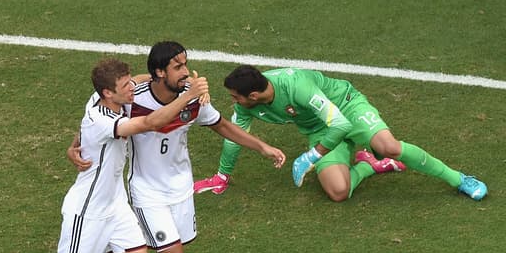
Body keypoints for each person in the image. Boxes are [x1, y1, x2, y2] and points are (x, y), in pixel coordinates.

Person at [72, 42, 285, 253]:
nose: (186, 71)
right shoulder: (133, 98)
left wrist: (262, 147)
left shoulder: (194, 99)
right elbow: (97, 119)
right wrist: (73, 147)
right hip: (147, 194)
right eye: (177, 66)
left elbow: (223, 126)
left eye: (186, 64)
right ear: (159, 72)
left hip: (181, 192)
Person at [29, 57, 210, 253]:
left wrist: (181, 85)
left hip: (117, 206)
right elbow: (149, 124)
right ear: (107, 94)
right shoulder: (103, 120)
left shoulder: (116, 97)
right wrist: (188, 95)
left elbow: (144, 80)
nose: (133, 88)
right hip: (88, 211)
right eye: (125, 86)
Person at [194, 65, 487, 202]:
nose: (233, 101)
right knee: (338, 192)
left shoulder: (297, 87)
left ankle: (459, 179)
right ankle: (368, 165)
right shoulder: (247, 106)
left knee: (389, 146)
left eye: (235, 97)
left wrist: (312, 154)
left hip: (347, 108)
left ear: (254, 94)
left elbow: (342, 124)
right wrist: (222, 175)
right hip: (322, 128)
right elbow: (233, 134)